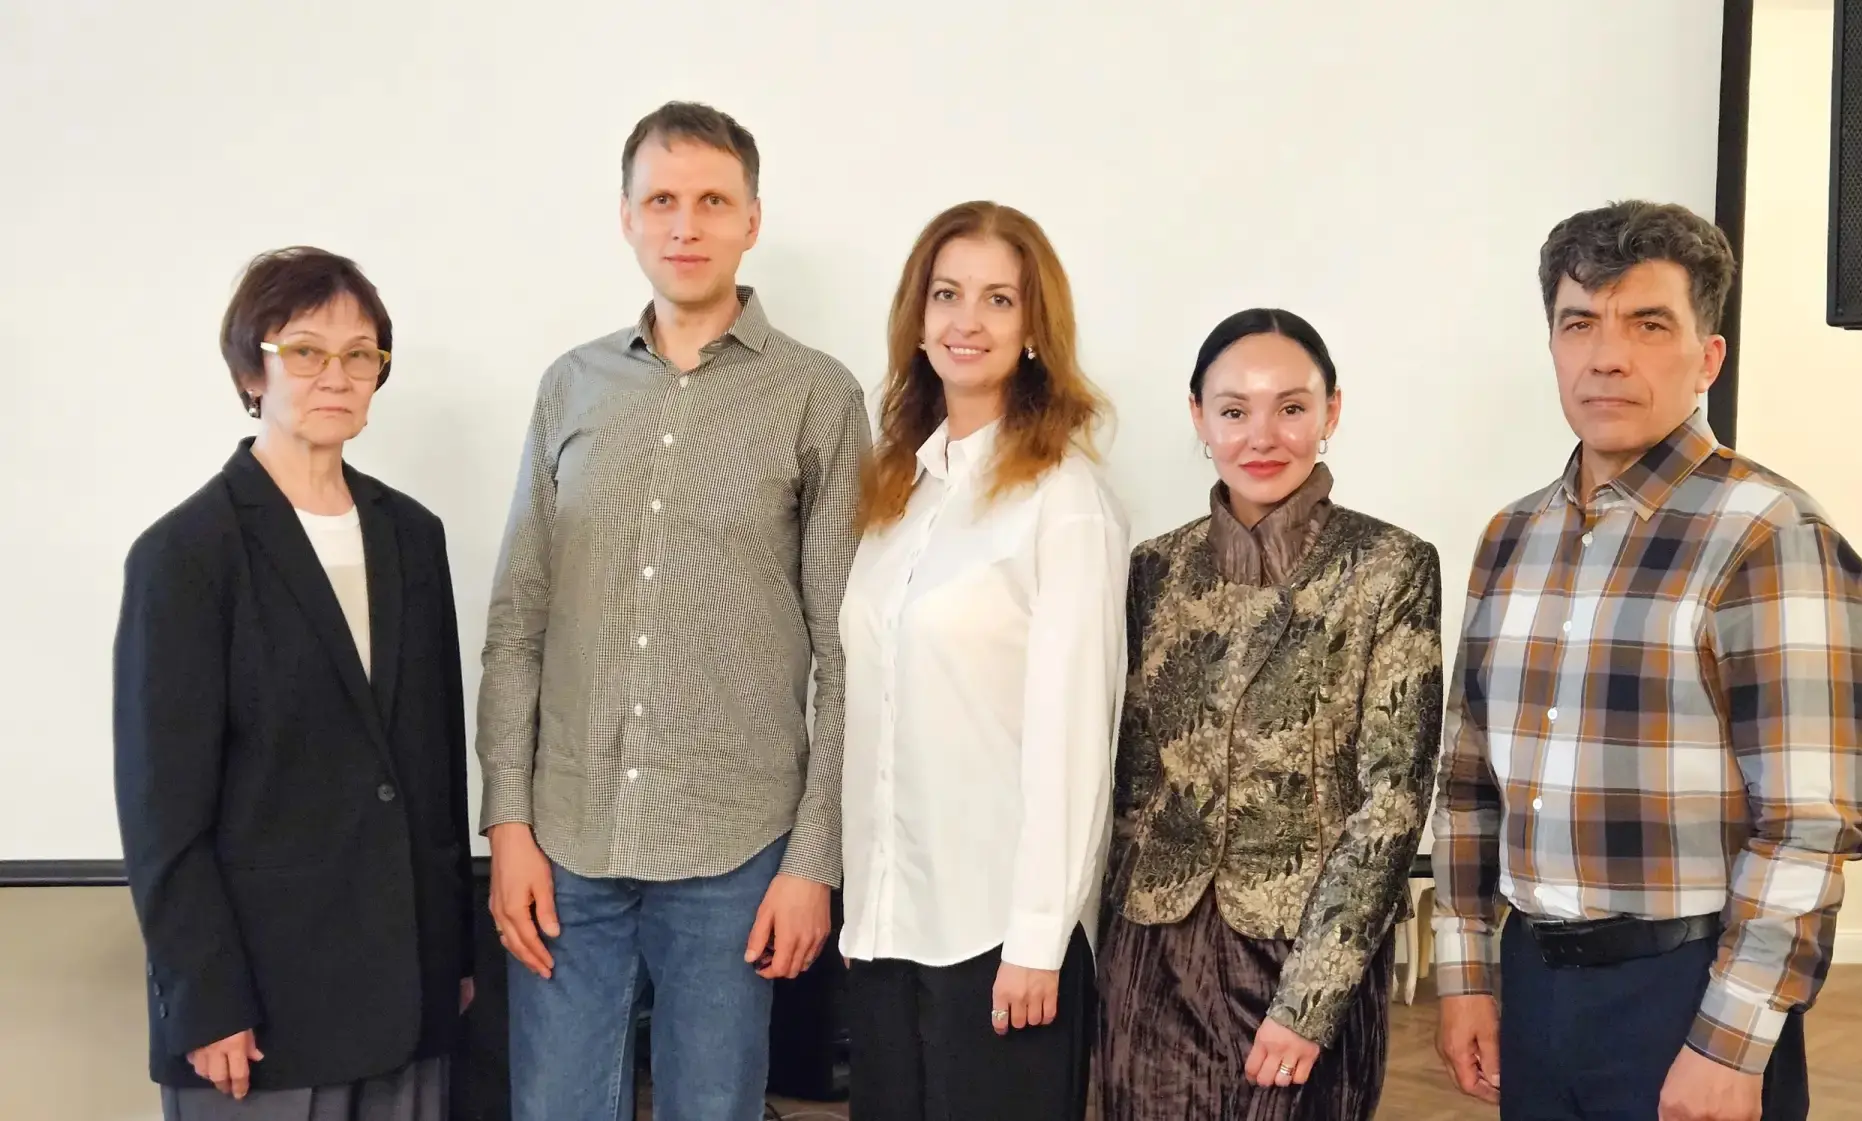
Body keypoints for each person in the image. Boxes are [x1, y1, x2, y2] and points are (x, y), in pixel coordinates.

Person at [1431, 201, 1862, 1121]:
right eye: (1579, 324)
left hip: (1685, 991)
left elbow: (1808, 822)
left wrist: (1730, 1042)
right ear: (1552, 345)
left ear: (1708, 357)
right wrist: (1465, 972)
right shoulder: (1510, 535)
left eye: (1647, 324)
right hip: (1533, 980)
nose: (1606, 356)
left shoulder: (1771, 535)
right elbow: (1469, 783)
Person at [476, 101, 869, 1121]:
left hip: (737, 849)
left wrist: (814, 861)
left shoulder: (817, 396)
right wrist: (507, 823)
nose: (685, 225)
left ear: (752, 219)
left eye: (712, 201)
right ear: (627, 218)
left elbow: (846, 653)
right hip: (565, 842)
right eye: (661, 200)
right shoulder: (570, 386)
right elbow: (517, 624)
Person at [113, 247, 475, 1120]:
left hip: (407, 987)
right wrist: (204, 997)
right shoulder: (185, 553)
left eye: (360, 354)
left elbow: (431, 765)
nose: (336, 375)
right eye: (305, 351)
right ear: (252, 370)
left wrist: (453, 952)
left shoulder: (413, 536)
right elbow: (162, 810)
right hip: (259, 1012)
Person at [1097, 308, 1444, 1120]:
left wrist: (1310, 1000)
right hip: (1154, 953)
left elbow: (1392, 802)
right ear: (1198, 417)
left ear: (1331, 412)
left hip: (1300, 951)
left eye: (1291, 407)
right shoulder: (1156, 568)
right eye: (1233, 409)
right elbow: (1134, 781)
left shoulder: (1389, 567)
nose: (1262, 435)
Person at [836, 200, 1129, 1120]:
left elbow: (1075, 735)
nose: (968, 320)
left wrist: (1039, 936)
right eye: (947, 294)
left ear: (1035, 326)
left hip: (997, 935)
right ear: (918, 318)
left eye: (999, 299)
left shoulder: (1064, 499)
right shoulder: (896, 494)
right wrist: (861, 909)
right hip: (886, 925)